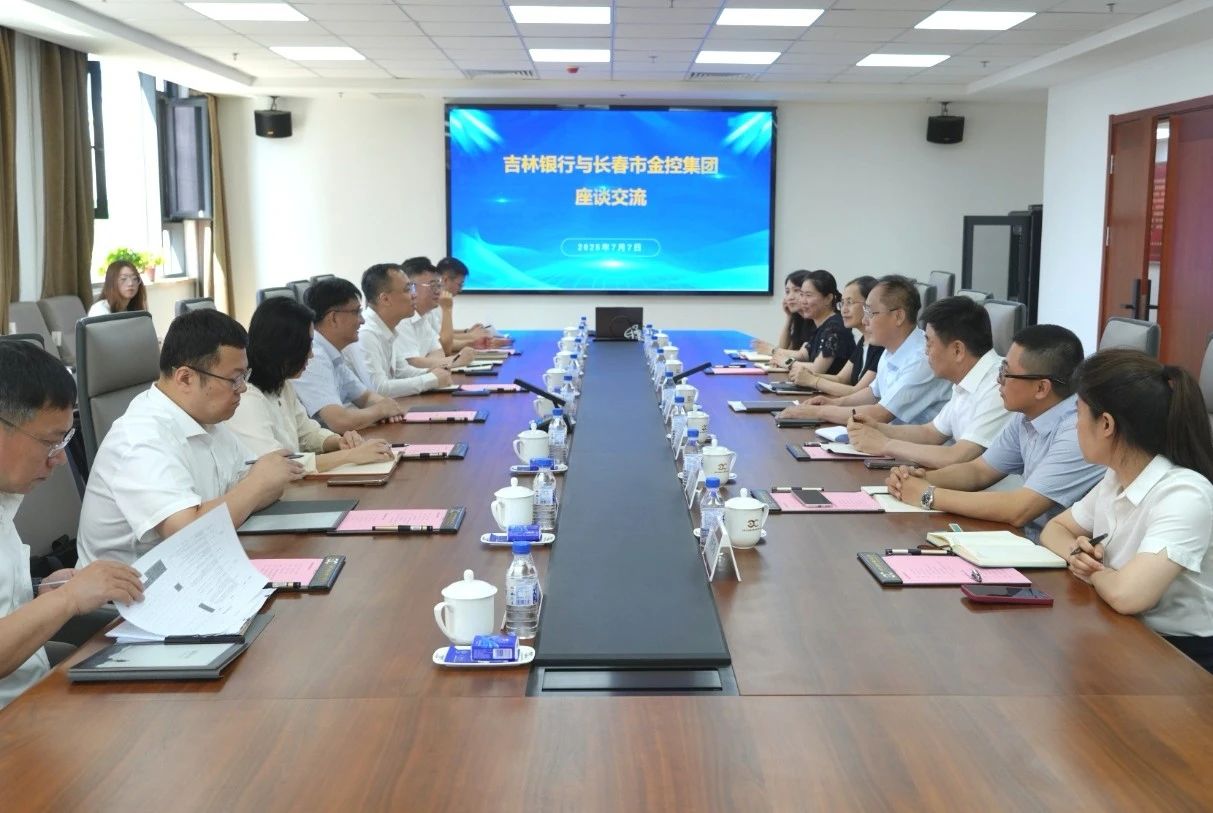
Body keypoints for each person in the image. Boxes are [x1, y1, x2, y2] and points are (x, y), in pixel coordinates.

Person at [77, 309, 305, 566]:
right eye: (234, 379)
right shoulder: (140, 438)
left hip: (201, 565)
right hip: (140, 585)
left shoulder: (207, 420)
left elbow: (261, 484)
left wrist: (257, 485)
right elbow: (188, 534)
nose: (242, 388)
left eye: (245, 376)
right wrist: (257, 485)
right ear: (185, 378)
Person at [1040, 349, 1213, 672]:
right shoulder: (1116, 476)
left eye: (1078, 413)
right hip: (1122, 631)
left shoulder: (1184, 494)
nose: (1075, 425)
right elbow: (1055, 529)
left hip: (1182, 657)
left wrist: (1093, 572)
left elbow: (1129, 595)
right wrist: (1078, 555)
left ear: (1106, 424)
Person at [0, 342, 144, 707]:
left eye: (64, 440)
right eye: (50, 442)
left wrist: (36, 593)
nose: (61, 459)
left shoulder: (6, 496)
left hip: (32, 697)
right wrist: (67, 599)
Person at [885, 324, 1105, 539]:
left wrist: (928, 494)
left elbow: (1020, 509)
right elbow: (979, 471)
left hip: (1059, 553)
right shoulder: (1026, 415)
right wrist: (916, 478)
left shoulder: (1077, 431)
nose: (998, 380)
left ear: (1041, 388)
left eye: (1005, 373)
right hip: (1027, 539)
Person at [228, 296, 397, 473]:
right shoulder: (246, 397)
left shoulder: (282, 384)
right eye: (307, 344)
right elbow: (277, 465)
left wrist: (339, 441)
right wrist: (350, 456)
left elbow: (308, 433)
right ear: (285, 346)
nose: (311, 355)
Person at [846, 296, 1010, 469]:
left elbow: (958, 456)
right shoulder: (967, 378)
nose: (925, 352)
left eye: (929, 344)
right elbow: (931, 432)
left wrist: (884, 445)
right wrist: (877, 428)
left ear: (957, 350)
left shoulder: (999, 385)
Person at [777, 275, 950, 425]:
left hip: (915, 447)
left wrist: (818, 412)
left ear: (898, 316)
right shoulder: (892, 348)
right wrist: (835, 403)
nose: (865, 321)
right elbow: (873, 393)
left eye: (871, 313)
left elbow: (880, 414)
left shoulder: (921, 359)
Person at [293, 278, 406, 433]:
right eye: (356, 312)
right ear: (333, 318)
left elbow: (365, 397)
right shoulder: (314, 358)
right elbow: (339, 422)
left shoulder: (332, 353)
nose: (362, 320)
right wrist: (381, 410)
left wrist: (388, 406)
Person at [344, 263, 452, 397]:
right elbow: (378, 389)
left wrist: (432, 372)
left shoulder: (387, 328)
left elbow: (402, 371)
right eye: (407, 290)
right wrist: (431, 379)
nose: (414, 295)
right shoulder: (366, 332)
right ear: (385, 299)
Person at [788, 275, 883, 398]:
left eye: (849, 302)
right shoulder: (864, 340)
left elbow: (857, 392)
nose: (843, 310)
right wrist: (808, 375)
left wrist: (813, 380)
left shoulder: (881, 344)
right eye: (842, 303)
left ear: (869, 305)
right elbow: (841, 378)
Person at [394, 258, 477, 371]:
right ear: (411, 287)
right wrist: (454, 361)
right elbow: (412, 363)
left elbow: (439, 351)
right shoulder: (402, 319)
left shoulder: (423, 316)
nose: (438, 291)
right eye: (432, 285)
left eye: (439, 285)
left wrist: (432, 362)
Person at [770, 270, 854, 375]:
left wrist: (785, 362)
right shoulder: (820, 325)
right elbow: (803, 355)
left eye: (808, 295)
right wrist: (778, 357)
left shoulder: (834, 327)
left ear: (828, 298)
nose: (803, 301)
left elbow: (817, 369)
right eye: (802, 295)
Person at [434, 257, 503, 353]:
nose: (460, 290)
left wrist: (467, 332)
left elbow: (442, 332)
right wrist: (471, 338)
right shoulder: (433, 304)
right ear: (445, 280)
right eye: (460, 284)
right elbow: (441, 341)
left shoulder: (442, 302)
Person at [752, 270, 810, 355]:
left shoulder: (815, 320)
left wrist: (772, 350)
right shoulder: (799, 318)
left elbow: (804, 356)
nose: (790, 297)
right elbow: (784, 348)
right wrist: (789, 317)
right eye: (787, 292)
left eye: (796, 290)